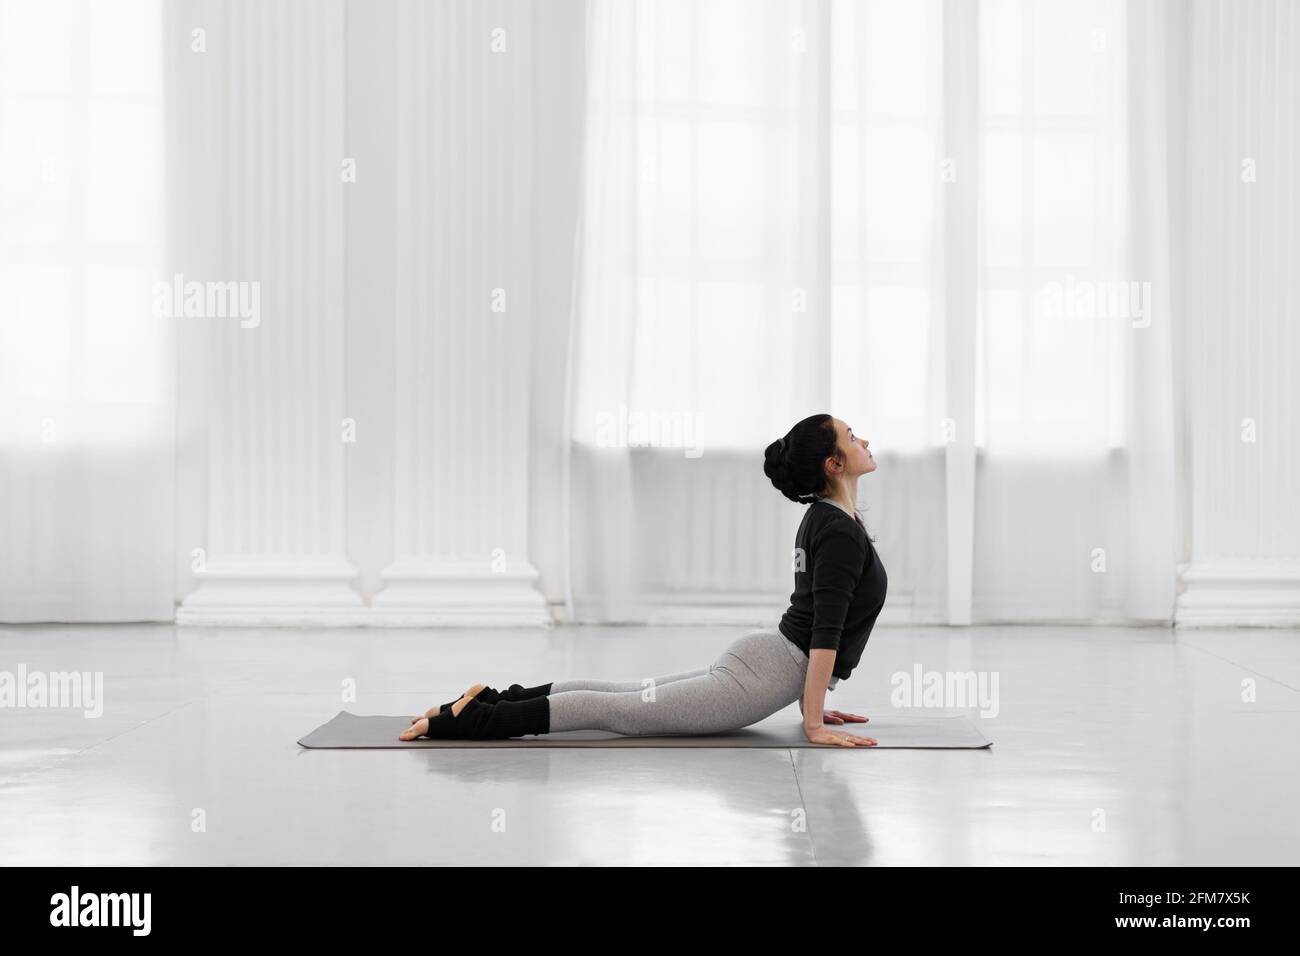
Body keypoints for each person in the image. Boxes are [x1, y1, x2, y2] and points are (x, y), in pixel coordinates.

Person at [400, 413, 886, 747]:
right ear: (834, 464)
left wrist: (813, 705)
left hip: (768, 658)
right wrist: (815, 721)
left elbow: (821, 623)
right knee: (621, 711)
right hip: (766, 673)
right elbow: (824, 632)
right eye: (852, 436)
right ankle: (475, 720)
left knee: (623, 694)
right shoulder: (839, 529)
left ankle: (489, 699)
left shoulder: (827, 519)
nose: (864, 440)